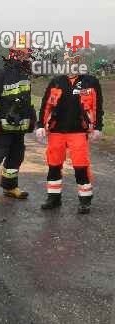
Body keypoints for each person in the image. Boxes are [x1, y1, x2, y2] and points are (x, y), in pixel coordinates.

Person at [36, 50, 104, 214]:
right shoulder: (56, 81)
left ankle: (85, 200)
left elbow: (98, 106)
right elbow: (46, 105)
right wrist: (40, 125)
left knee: (81, 165)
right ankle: (53, 198)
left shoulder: (91, 82)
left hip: (79, 131)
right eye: (67, 61)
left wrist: (98, 128)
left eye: (74, 60)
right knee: (54, 165)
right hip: (56, 131)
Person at [0, 45, 36, 203]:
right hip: (2, 127)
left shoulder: (25, 74)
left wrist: (31, 119)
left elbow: (26, 101)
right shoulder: (1, 74)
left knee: (16, 158)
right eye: (25, 54)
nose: (28, 57)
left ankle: (10, 187)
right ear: (15, 54)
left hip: (19, 127)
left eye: (29, 54)